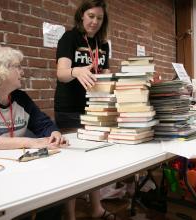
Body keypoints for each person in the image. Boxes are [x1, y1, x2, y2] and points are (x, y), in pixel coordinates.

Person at [54, 1, 116, 219]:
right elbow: (61, 73)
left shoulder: (103, 44)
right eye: (91, 16)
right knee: (73, 163)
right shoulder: (69, 38)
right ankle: (69, 215)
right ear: (81, 16)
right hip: (69, 108)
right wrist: (76, 71)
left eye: (99, 18)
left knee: (94, 159)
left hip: (94, 108)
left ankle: (96, 208)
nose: (94, 22)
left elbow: (105, 73)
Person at [0, 46, 67, 151]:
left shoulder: (20, 98)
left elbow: (44, 125)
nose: (22, 72)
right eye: (18, 66)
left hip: (12, 160)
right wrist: (30, 142)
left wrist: (55, 134)